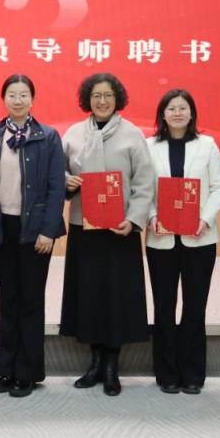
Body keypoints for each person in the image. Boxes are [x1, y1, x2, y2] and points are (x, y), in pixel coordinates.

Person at [60, 72, 155, 396]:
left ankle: (112, 366)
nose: (102, 101)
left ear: (118, 100)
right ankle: (95, 362)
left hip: (119, 230)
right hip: (84, 228)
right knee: (89, 295)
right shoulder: (74, 134)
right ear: (88, 99)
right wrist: (67, 181)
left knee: (116, 297)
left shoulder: (132, 135)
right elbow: (59, 171)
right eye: (96, 95)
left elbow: (144, 182)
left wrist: (133, 219)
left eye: (108, 96)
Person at [0, 74, 65, 398]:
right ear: (3, 99)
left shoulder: (48, 137)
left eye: (23, 95)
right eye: (12, 95)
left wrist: (48, 230)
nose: (17, 100)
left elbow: (56, 187)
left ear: (33, 99)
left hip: (35, 229)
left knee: (31, 300)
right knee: (8, 300)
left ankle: (27, 373)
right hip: (3, 226)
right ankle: (7, 370)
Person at [145, 89, 220, 395]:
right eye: (171, 108)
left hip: (199, 239)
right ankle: (166, 372)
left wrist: (205, 219)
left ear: (192, 113)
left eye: (183, 108)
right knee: (164, 307)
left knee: (195, 307)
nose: (177, 113)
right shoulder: (149, 146)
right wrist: (151, 216)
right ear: (162, 115)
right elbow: (143, 187)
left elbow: (219, 187)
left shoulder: (207, 145)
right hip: (160, 238)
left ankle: (193, 374)